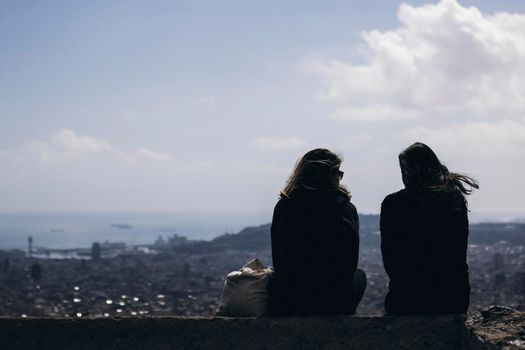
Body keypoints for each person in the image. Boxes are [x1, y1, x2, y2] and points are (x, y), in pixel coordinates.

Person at [380, 142, 479, 314]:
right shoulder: (454, 199)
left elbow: (391, 258)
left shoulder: (394, 204)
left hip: (408, 300)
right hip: (453, 299)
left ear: (408, 172)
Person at [269, 148, 366, 316]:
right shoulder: (346, 209)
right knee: (360, 276)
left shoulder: (284, 207)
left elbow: (279, 261)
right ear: (326, 175)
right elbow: (350, 264)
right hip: (335, 303)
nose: (340, 175)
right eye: (337, 171)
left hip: (290, 302)